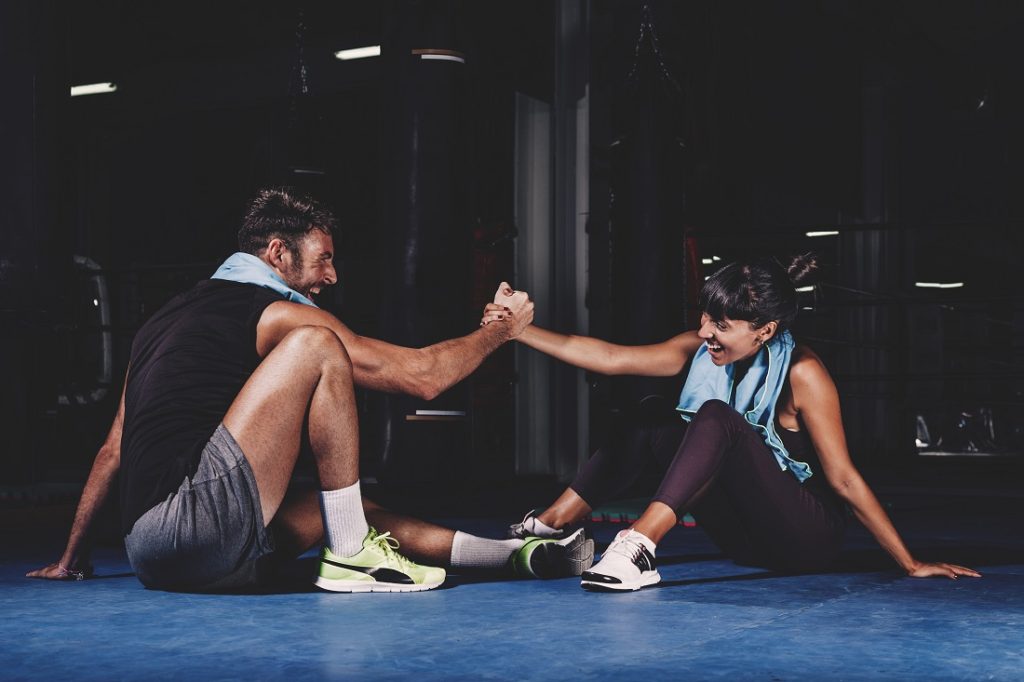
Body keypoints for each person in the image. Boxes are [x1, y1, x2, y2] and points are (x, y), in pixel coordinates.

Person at [27, 186, 592, 593]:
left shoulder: (158, 324)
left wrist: (71, 559)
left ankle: (514, 556)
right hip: (195, 530)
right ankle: (350, 559)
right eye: (323, 260)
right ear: (277, 253)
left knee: (346, 508)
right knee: (319, 346)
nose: (332, 277)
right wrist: (500, 331)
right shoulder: (271, 313)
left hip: (150, 556)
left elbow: (111, 452)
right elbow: (422, 376)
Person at [484, 254, 981, 591]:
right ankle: (554, 527)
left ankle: (637, 546)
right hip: (745, 538)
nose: (705, 333)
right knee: (651, 416)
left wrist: (910, 563)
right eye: (705, 319)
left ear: (764, 330)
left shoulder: (804, 373)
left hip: (805, 539)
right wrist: (515, 332)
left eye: (721, 326)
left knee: (716, 417)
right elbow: (612, 357)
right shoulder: (700, 348)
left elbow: (844, 477)